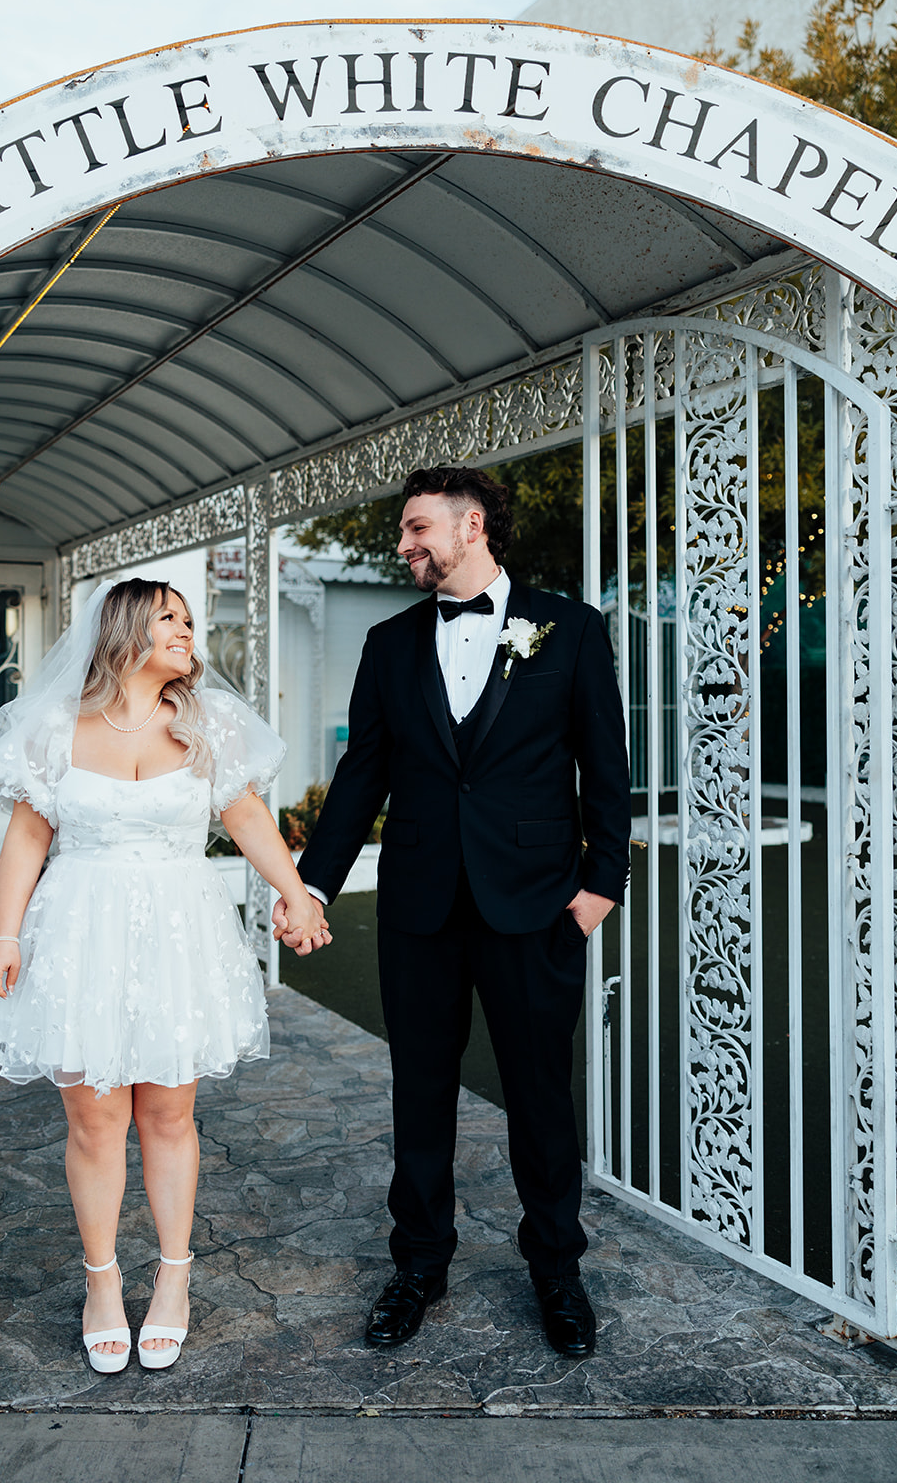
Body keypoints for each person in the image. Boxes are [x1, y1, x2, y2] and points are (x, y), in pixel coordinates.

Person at [275, 466, 631, 1358]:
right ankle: (418, 1265)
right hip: (421, 907)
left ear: (471, 526)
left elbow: (606, 763)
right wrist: (311, 884)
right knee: (419, 1094)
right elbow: (363, 775)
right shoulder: (389, 642)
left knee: (541, 1097)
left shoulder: (571, 629)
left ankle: (556, 1269)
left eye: (415, 528)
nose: (404, 545)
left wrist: (600, 886)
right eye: (405, 531)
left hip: (538, 905)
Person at [0, 578, 329, 1375]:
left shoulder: (210, 724)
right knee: (95, 1121)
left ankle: (173, 1279)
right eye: (170, 618)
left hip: (178, 936)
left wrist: (296, 895)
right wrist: (4, 933)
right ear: (126, 627)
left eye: (189, 620)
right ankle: (102, 1284)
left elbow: (246, 820)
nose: (187, 631)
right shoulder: (53, 729)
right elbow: (28, 838)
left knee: (168, 1117)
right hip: (77, 932)